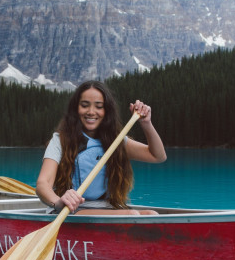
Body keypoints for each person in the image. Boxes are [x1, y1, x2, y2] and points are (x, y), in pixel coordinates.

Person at [36, 80, 167, 215]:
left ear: (106, 111)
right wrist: (58, 202)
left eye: (99, 106)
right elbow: (43, 184)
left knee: (152, 214)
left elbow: (158, 156)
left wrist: (146, 123)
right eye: (85, 105)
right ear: (76, 109)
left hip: (107, 209)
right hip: (68, 211)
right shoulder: (60, 140)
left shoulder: (115, 141)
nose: (91, 112)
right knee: (132, 214)